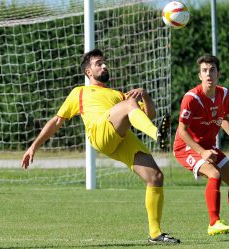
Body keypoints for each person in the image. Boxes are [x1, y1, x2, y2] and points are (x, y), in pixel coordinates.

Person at [21, 48, 180, 244]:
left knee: (155, 176)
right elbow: (56, 122)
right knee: (130, 105)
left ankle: (155, 234)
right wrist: (33, 147)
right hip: (99, 133)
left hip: (120, 138)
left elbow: (149, 115)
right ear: (88, 72)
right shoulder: (79, 92)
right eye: (98, 63)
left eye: (104, 62)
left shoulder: (118, 95)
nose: (104, 65)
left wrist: (145, 95)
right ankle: (157, 134)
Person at [173, 54, 229, 235]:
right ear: (200, 76)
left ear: (218, 73)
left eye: (212, 70)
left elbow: (224, 117)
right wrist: (202, 152)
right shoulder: (191, 98)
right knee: (214, 174)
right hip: (186, 147)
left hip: (207, 147)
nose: (208, 74)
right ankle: (214, 223)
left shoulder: (223, 93)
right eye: (204, 71)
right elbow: (182, 131)